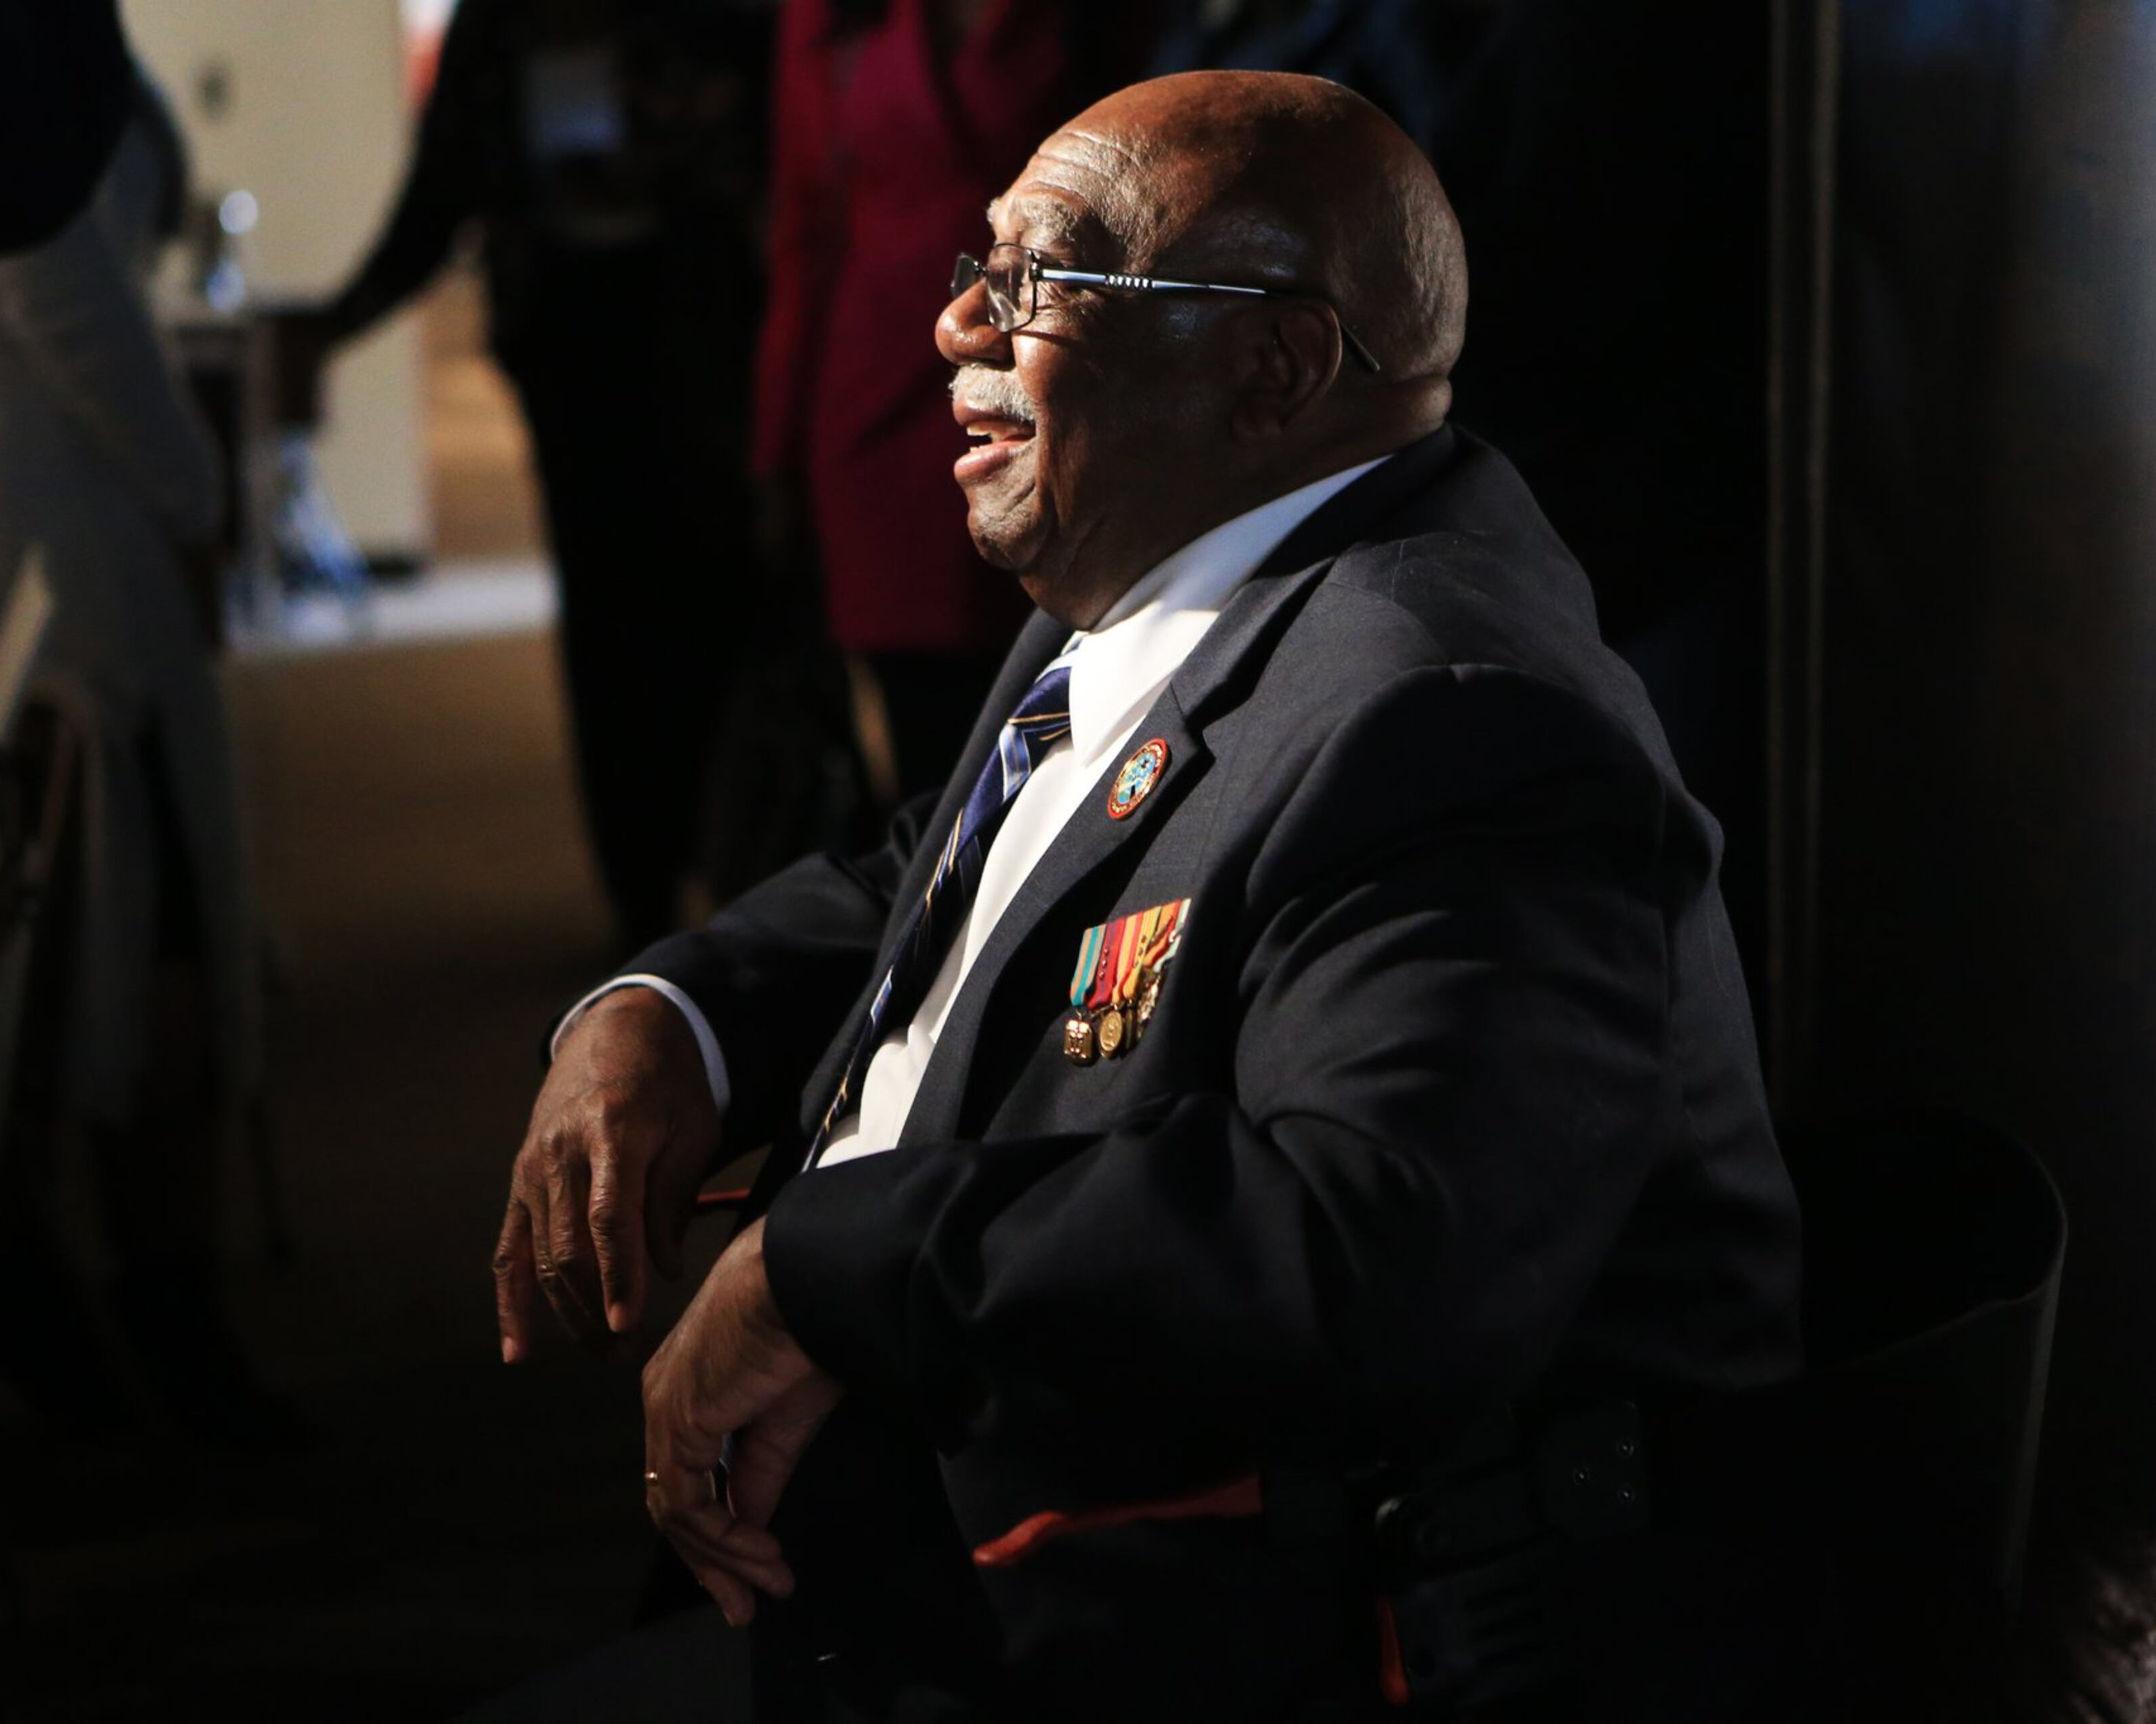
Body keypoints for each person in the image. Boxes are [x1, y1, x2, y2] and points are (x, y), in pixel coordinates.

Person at [496, 71, 1802, 1718]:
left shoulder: (1453, 717)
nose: (955, 324)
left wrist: (826, 1260)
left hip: (1198, 1629)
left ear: (1274, 365)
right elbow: (971, 867)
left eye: (1037, 279)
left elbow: (1373, 1249)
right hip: (940, 1548)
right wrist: (672, 1013)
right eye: (976, 263)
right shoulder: (1187, 564)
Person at [0, 73, 282, 1444]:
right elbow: (58, 288)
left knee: (43, 918)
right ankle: (156, 1313)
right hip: (25, 527)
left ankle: (63, 1297)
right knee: (156, 926)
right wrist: (195, 485)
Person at [280, 0, 771, 953]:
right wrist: (337, 323)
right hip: (571, 356)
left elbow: (782, 160)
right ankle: (641, 888)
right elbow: (440, 194)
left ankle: (736, 870)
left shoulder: (721, 18)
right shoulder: (502, 23)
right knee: (605, 624)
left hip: (708, 354)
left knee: (719, 608)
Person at [753, 0, 1153, 805]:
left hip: (1046, 378)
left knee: (1062, 690)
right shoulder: (826, 17)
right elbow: (807, 233)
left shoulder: (1096, 22)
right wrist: (776, 448)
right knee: (918, 732)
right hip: (875, 401)